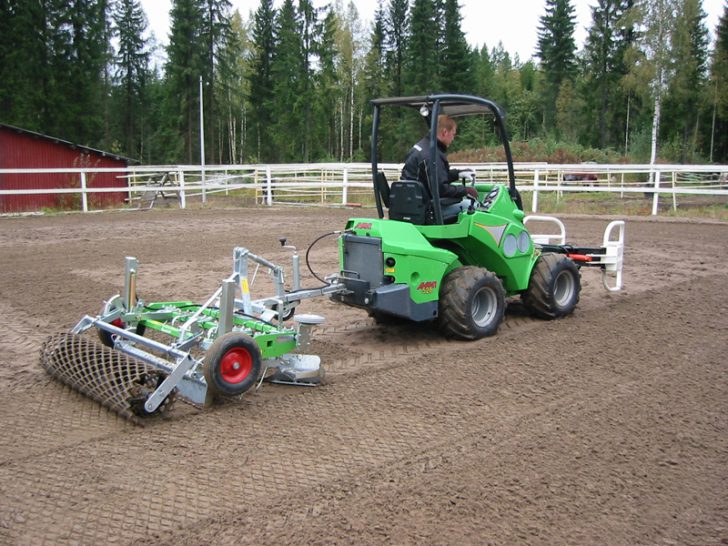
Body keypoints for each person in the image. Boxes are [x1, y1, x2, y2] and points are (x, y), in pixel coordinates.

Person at [401, 114, 479, 201]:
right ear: (444, 132)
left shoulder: (421, 147)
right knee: (472, 205)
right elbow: (440, 190)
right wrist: (466, 190)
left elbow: (435, 178)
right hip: (426, 206)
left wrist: (457, 174)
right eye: (453, 134)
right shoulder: (432, 155)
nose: (453, 138)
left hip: (411, 201)